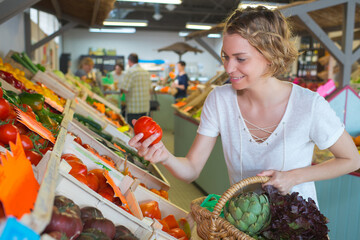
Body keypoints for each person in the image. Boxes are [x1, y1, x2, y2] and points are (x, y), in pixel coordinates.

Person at [128, 6, 360, 206]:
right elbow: (191, 169)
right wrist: (164, 156)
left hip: (295, 227)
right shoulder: (220, 100)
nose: (229, 68)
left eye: (240, 59)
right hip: (241, 227)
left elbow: (352, 159)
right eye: (225, 57)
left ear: (270, 55)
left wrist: (293, 177)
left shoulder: (309, 106)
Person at [120, 53, 151, 127]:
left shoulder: (130, 72)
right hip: (145, 107)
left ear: (129, 61)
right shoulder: (146, 72)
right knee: (143, 129)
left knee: (133, 130)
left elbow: (125, 89)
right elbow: (150, 90)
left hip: (133, 108)